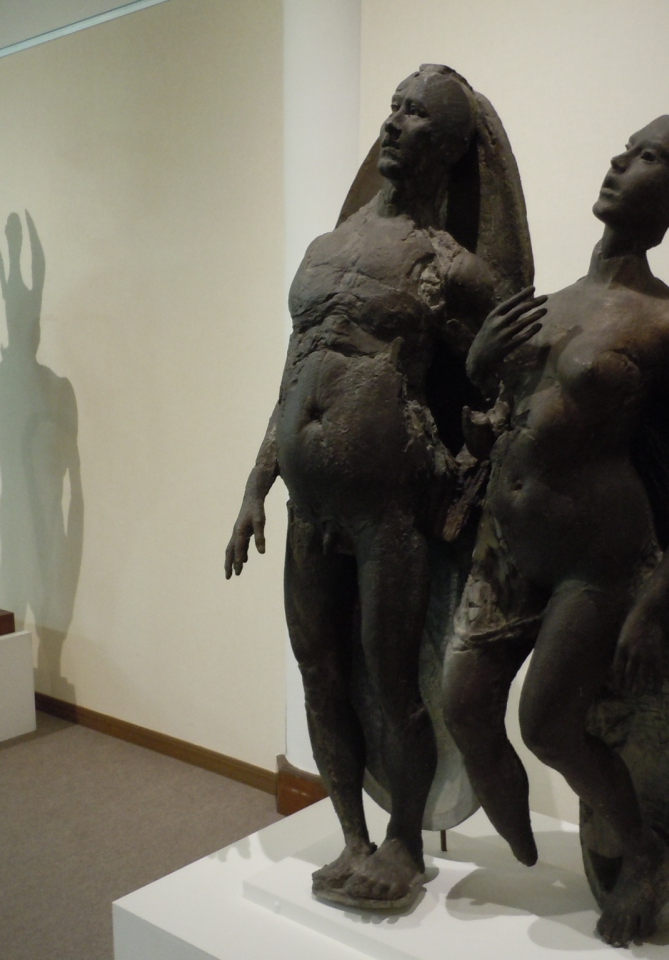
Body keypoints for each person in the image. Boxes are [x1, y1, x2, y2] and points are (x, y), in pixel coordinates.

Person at [225, 65, 531, 909]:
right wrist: (255, 486)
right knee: (318, 668)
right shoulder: (326, 250)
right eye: (393, 107)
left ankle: (403, 844)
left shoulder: (451, 266)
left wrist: (476, 446)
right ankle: (352, 837)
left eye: (416, 114)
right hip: (307, 503)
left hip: (387, 507)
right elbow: (295, 372)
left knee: (392, 678)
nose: (394, 122)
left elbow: (504, 385)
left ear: (450, 146)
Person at [443, 101, 669, 946]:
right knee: (463, 705)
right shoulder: (549, 304)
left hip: (596, 559)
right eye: (625, 149)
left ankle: (642, 853)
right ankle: (521, 846)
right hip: (508, 547)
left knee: (546, 726)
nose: (619, 163)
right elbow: (503, 425)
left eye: (647, 158)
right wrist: (478, 370)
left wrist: (652, 603)